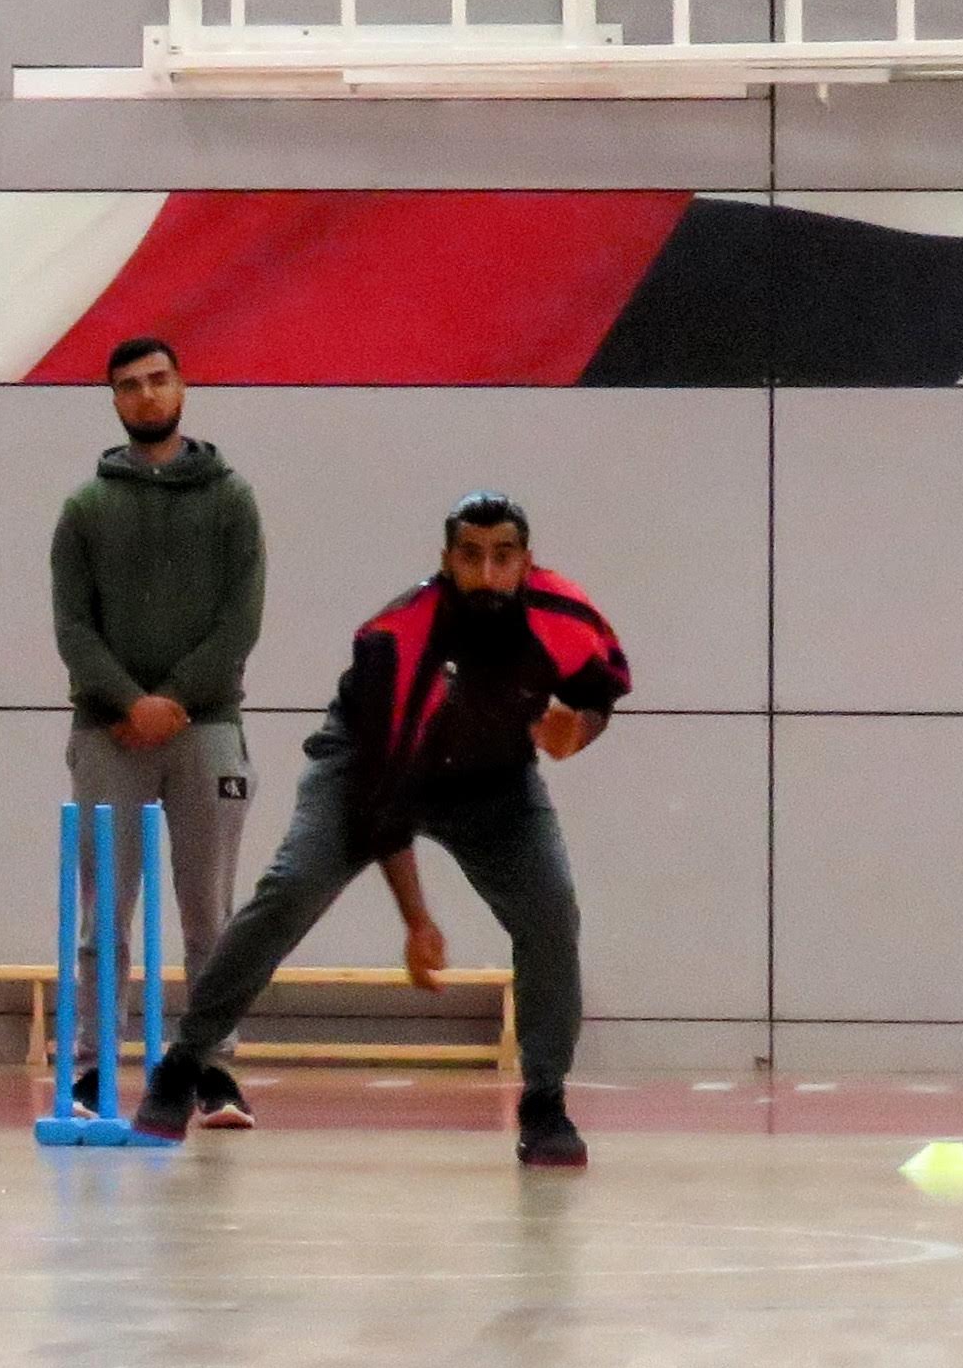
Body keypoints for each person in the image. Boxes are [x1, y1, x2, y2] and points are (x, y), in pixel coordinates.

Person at [132, 494, 629, 1169]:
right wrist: (417, 922)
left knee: (550, 915)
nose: (486, 573)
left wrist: (581, 731)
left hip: (494, 783)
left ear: (526, 562)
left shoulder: (561, 614)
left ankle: (544, 1103)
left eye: (502, 557)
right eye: (470, 556)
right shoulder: (396, 641)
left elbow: (601, 689)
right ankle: (182, 1063)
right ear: (446, 561)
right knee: (290, 891)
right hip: (365, 771)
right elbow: (382, 799)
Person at [50, 335, 265, 1127]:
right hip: (108, 733)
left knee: (208, 911)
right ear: (113, 400)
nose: (146, 395)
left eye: (158, 379)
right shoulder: (84, 509)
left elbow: (238, 621)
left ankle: (209, 1073)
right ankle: (89, 1074)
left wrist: (172, 698)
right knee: (104, 912)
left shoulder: (231, 499)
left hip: (206, 729)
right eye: (129, 386)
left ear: (182, 386)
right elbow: (73, 629)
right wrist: (128, 704)